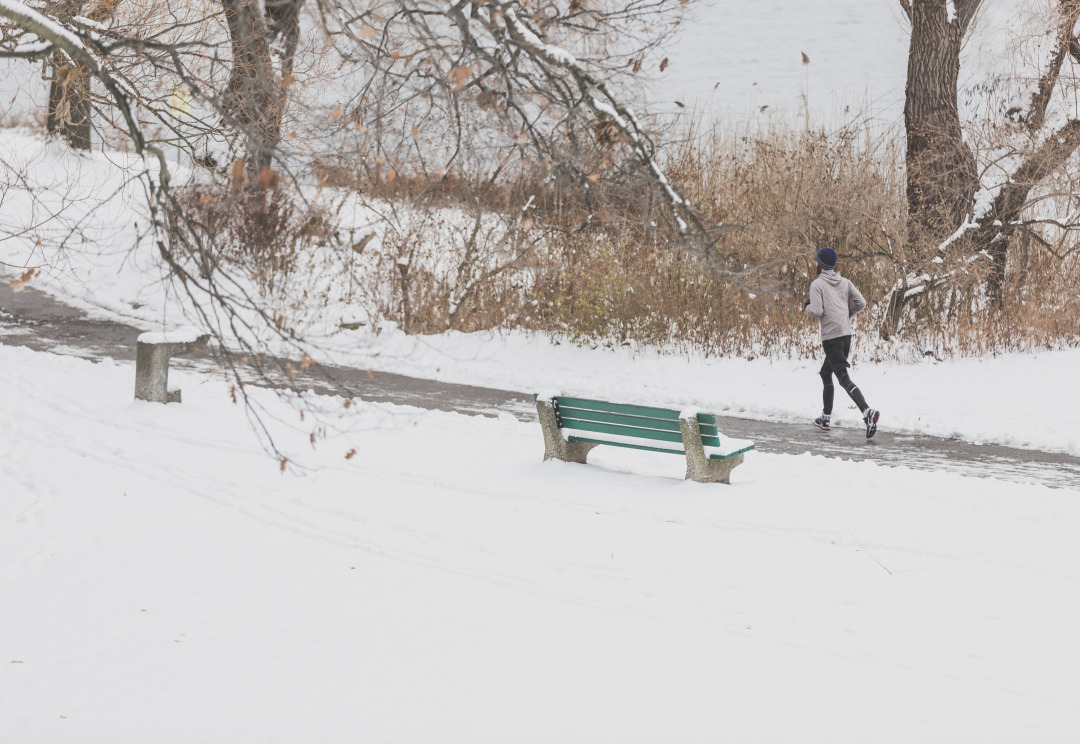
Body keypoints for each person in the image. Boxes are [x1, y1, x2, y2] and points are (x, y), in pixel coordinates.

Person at [803, 247, 880, 439]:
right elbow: (861, 302)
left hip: (831, 337)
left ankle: (867, 412)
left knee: (843, 378)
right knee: (825, 372)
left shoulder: (817, 285)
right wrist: (846, 316)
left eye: (815, 261)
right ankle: (825, 418)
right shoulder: (845, 282)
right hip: (846, 335)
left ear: (819, 265)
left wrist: (807, 307)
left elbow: (818, 311)